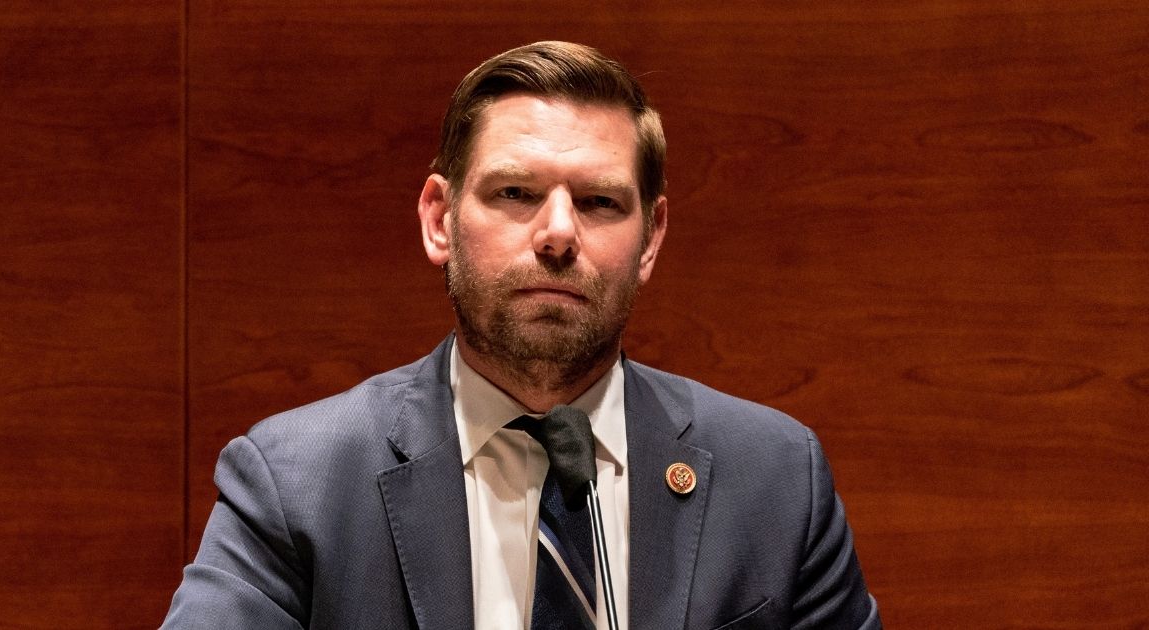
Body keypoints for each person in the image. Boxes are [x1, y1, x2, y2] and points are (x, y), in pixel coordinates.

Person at [163, 41, 881, 629]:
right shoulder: (297, 483)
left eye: (599, 201)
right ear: (439, 219)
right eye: (515, 194)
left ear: (651, 238)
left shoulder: (779, 479)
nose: (558, 233)